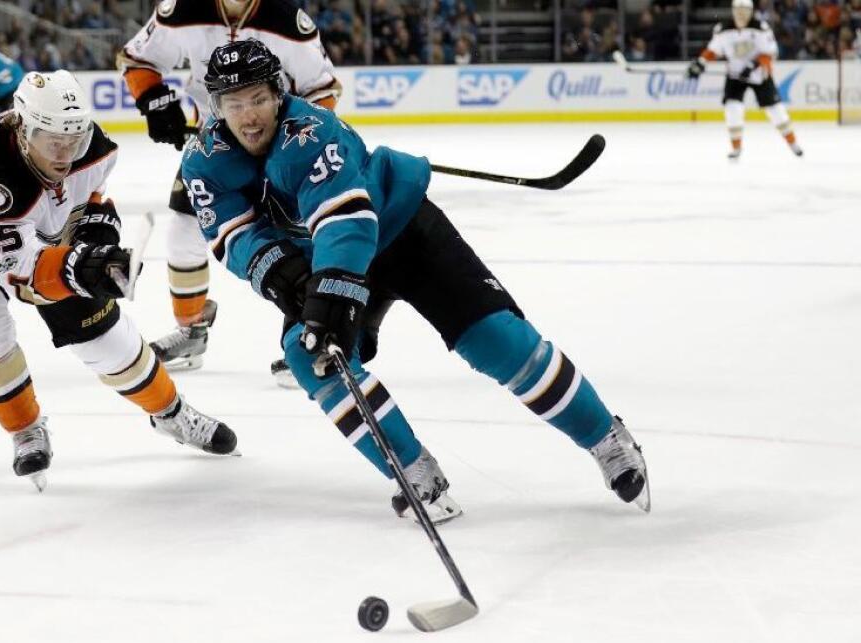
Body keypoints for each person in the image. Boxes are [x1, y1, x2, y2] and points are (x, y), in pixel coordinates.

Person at [182, 39, 651, 521]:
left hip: (401, 230)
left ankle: (606, 437)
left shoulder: (312, 131)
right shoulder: (202, 160)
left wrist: (332, 291)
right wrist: (289, 280)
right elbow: (233, 236)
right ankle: (413, 471)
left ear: (278, 94)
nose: (249, 115)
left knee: (495, 340)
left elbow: (347, 222)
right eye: (234, 104)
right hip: (321, 260)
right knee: (312, 356)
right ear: (216, 107)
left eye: (258, 98)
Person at [0, 70, 237, 491]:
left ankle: (170, 412)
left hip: (28, 218)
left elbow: (91, 198)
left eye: (74, 139)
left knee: (105, 336)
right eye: (54, 141)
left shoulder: (91, 147)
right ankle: (24, 428)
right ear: (23, 129)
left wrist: (97, 247)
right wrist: (80, 268)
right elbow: (20, 275)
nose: (66, 153)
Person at [118, 0, 341, 383]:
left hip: (279, 144)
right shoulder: (181, 11)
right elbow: (138, 60)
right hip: (214, 146)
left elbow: (322, 89)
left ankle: (313, 332)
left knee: (300, 239)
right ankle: (191, 329)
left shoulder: (287, 21)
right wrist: (153, 100)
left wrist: (298, 138)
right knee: (184, 229)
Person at [687, 0, 803, 159]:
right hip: (735, 76)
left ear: (751, 11)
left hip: (760, 76)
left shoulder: (761, 28)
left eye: (745, 9)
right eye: (738, 9)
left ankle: (793, 143)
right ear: (733, 10)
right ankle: (736, 148)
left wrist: (753, 65)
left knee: (776, 111)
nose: (741, 13)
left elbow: (770, 53)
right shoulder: (722, 30)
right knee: (732, 110)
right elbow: (713, 50)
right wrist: (700, 63)